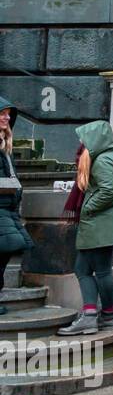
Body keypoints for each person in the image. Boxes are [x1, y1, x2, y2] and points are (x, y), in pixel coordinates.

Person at [58, 121, 113, 335]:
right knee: (88, 269)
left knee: (94, 270)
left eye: (85, 138)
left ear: (96, 138)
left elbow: (108, 190)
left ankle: (93, 317)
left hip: (99, 222)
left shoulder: (102, 160)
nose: (81, 142)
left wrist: (87, 208)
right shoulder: (111, 156)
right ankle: (106, 316)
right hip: (104, 223)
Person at [0, 96, 34, 313]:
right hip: (2, 207)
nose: (7, 117)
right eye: (2, 113)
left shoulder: (4, 143)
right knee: (8, 247)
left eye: (8, 114)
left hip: (7, 207)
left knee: (8, 249)